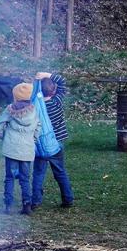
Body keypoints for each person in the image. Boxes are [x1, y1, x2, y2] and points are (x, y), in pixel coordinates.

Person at [0, 83, 40, 215]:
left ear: (15, 96)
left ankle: (7, 206)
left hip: (11, 149)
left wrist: (5, 137)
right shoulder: (35, 110)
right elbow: (39, 127)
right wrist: (33, 140)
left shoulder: (9, 110)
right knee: (25, 178)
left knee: (9, 177)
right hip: (27, 150)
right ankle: (27, 206)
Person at [31, 71, 74, 209]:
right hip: (56, 144)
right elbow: (63, 82)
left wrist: (37, 83)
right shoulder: (57, 101)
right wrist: (47, 74)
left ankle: (36, 201)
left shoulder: (35, 107)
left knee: (38, 173)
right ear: (54, 91)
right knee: (60, 172)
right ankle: (68, 199)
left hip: (40, 144)